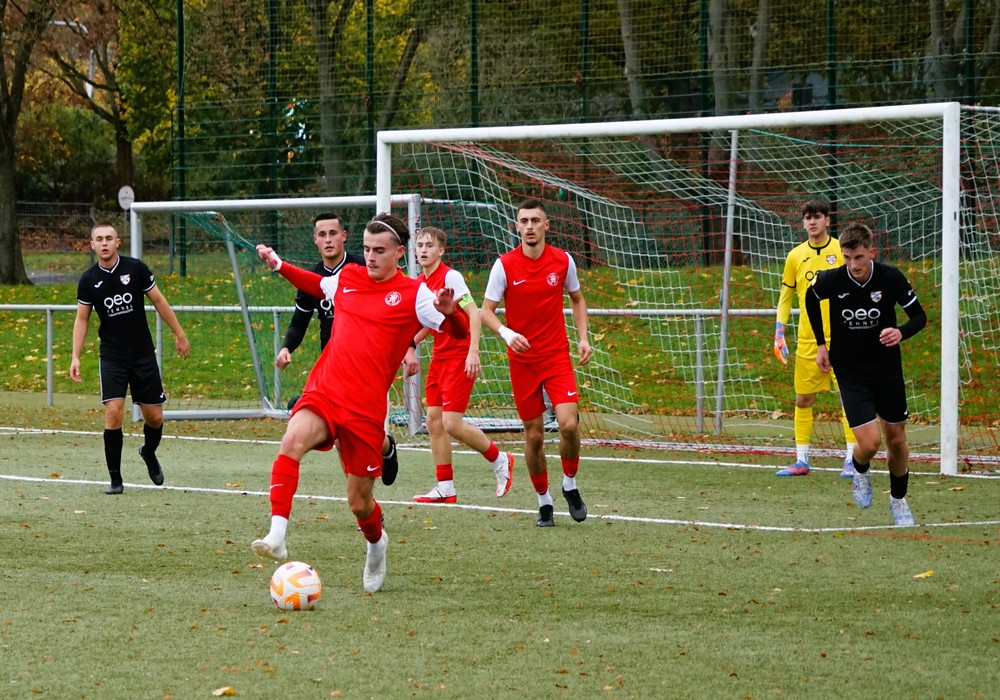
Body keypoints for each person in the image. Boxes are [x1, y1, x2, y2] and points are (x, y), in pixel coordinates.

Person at [251, 213, 470, 593]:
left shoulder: (416, 294)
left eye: (379, 250)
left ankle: (376, 543)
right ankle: (277, 534)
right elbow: (317, 285)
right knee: (292, 440)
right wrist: (279, 265)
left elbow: (459, 332)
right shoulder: (349, 277)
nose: (370, 256)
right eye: (367, 249)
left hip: (366, 409)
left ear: (399, 253)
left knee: (359, 502)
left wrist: (452, 316)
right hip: (326, 389)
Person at [274, 212, 412, 485]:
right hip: (333, 366)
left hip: (367, 367)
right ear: (315, 240)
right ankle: (357, 491)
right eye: (322, 235)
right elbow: (299, 321)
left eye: (333, 233)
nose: (328, 240)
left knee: (354, 434)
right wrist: (287, 347)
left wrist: (409, 347)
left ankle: (384, 448)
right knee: (340, 437)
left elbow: (400, 306)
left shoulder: (365, 267)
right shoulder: (313, 278)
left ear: (344, 236)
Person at [480, 199, 593, 528]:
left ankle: (569, 484)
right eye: (524, 221)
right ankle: (544, 502)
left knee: (568, 425)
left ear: (546, 225)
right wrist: (506, 333)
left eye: (535, 220)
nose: (529, 226)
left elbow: (577, 298)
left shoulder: (563, 261)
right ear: (517, 226)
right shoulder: (504, 265)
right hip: (523, 362)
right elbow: (485, 311)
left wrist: (583, 337)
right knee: (534, 437)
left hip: (556, 356)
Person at [805, 222, 927, 526]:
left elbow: (920, 316)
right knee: (870, 443)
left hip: (886, 370)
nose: (853, 265)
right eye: (847, 258)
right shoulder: (833, 280)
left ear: (872, 252)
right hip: (850, 372)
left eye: (858, 257)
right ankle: (860, 470)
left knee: (896, 440)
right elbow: (810, 298)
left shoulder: (890, 277)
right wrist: (821, 344)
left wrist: (900, 332)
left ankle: (898, 500)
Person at [70, 223, 190, 494]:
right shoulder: (88, 280)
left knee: (154, 417)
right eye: (99, 239)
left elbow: (159, 301)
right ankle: (115, 480)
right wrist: (75, 356)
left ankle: (149, 451)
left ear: (117, 242)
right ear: (92, 245)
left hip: (142, 354)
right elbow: (82, 319)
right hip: (112, 357)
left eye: (109, 238)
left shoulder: (135, 269)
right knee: (114, 412)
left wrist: (180, 334)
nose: (104, 243)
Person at [409, 226, 514, 504]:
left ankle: (500, 459)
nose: (423, 250)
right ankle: (445, 487)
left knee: (451, 423)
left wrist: (473, 352)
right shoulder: (419, 283)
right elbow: (427, 323)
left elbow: (473, 313)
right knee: (433, 421)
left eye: (429, 245)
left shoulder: (450, 276)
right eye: (420, 245)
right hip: (439, 357)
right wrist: (409, 346)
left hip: (459, 355)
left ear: (441, 251)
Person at [773, 199, 857, 478]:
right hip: (808, 340)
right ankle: (801, 460)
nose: (812, 221)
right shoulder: (795, 256)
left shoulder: (841, 251)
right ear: (803, 222)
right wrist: (779, 333)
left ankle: (851, 459)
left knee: (848, 398)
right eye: (807, 217)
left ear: (827, 220)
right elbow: (786, 297)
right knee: (803, 399)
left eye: (817, 216)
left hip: (842, 338)